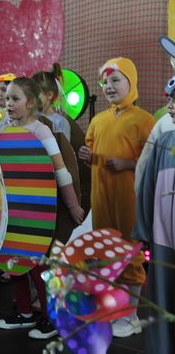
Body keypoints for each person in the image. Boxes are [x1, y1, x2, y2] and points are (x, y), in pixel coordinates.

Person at [0, 77, 84, 339]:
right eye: (7, 98)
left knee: (36, 265)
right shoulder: (3, 129)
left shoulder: (41, 131)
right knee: (12, 261)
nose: (9, 103)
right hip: (11, 211)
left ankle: (51, 318)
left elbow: (61, 171)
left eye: (15, 99)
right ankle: (24, 313)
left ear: (31, 102)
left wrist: (73, 205)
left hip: (36, 211)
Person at [78, 57, 155, 338]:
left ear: (131, 82)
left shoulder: (144, 120)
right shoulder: (98, 120)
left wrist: (129, 164)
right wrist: (87, 156)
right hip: (101, 200)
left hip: (128, 200)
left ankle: (131, 316)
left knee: (130, 255)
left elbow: (152, 161)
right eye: (105, 81)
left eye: (115, 80)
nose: (109, 86)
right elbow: (94, 154)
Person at [134, 76, 175, 354]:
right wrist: (143, 228)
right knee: (162, 301)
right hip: (164, 240)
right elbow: (148, 187)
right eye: (170, 99)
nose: (170, 106)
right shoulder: (163, 142)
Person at [32, 63, 71, 141]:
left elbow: (64, 147)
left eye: (36, 93)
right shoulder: (30, 118)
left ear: (49, 95)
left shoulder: (60, 122)